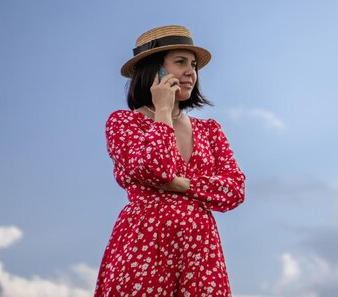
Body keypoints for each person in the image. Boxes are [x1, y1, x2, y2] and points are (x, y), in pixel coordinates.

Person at [94, 25, 246, 297]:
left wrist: (181, 184)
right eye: (180, 62)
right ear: (154, 70)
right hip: (145, 248)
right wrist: (163, 110)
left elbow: (234, 190)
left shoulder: (210, 130)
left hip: (201, 255)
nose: (191, 72)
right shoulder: (124, 122)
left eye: (193, 64)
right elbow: (155, 169)